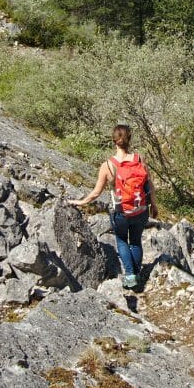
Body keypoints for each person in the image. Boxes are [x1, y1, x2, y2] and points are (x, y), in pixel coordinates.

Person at [68, 124, 158, 289]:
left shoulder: (108, 165)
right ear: (129, 140)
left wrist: (79, 202)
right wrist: (154, 205)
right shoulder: (139, 159)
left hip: (121, 213)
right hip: (141, 210)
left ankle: (131, 276)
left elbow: (96, 193)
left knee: (122, 241)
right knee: (136, 241)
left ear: (114, 141)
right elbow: (150, 185)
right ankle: (138, 275)